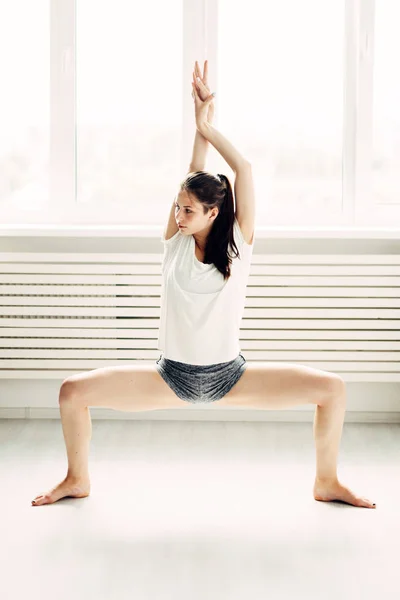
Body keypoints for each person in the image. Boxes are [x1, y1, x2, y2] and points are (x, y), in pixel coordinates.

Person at [32, 60, 376, 509]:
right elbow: (193, 170)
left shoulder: (238, 243)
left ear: (215, 212)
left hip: (230, 377)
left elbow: (245, 169)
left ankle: (326, 481)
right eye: (177, 207)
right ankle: (77, 478)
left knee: (333, 390)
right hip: (169, 375)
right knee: (71, 392)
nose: (178, 216)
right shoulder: (175, 242)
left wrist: (210, 128)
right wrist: (198, 121)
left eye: (188, 210)